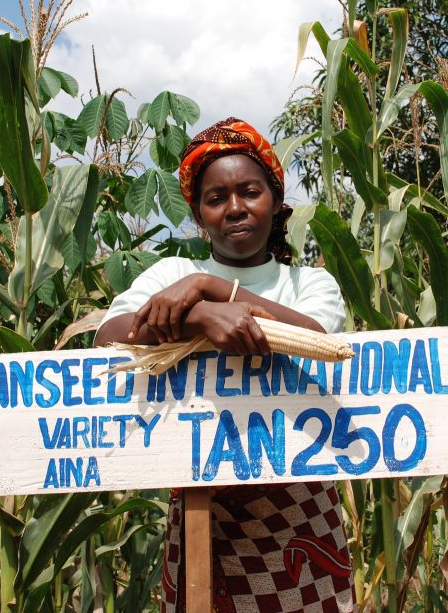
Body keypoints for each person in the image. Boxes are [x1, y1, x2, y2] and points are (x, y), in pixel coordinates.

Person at [93, 117, 355, 612]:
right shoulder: (171, 274)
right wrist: (201, 318)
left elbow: (316, 340)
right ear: (198, 214)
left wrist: (213, 288)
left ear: (276, 202)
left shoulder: (309, 284)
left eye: (249, 192)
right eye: (216, 199)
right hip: (199, 503)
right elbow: (110, 338)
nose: (234, 208)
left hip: (299, 509)